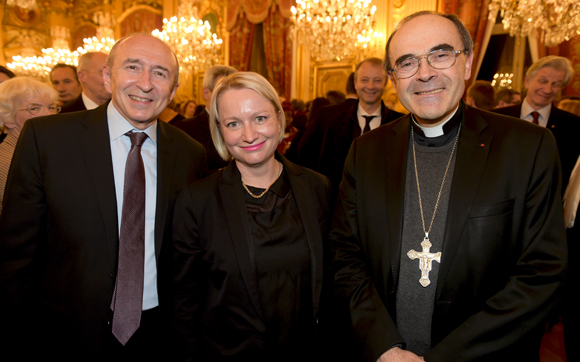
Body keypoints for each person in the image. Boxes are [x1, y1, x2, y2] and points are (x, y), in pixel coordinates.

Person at [329, 11, 566, 361]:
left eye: (441, 55)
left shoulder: (527, 146)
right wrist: (382, 343)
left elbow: (541, 273)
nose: (425, 73)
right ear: (393, 79)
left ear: (467, 64)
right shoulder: (366, 150)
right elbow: (344, 256)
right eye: (407, 62)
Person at [0, 33, 206, 360]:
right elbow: (15, 255)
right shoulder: (48, 140)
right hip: (64, 335)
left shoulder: (191, 154)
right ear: (108, 77)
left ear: (174, 90)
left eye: (160, 73)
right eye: (133, 67)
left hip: (159, 338)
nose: (146, 83)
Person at [173, 71, 331, 361]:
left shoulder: (318, 188)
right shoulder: (197, 201)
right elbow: (184, 302)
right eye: (234, 124)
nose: (249, 135)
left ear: (279, 119)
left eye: (260, 118)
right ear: (220, 131)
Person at [318, 57, 404, 200]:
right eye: (364, 80)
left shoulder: (400, 123)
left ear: (385, 83)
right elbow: (324, 170)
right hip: (341, 206)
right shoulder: (335, 123)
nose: (370, 86)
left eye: (377, 80)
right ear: (355, 83)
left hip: (385, 206)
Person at [492, 55, 580, 187]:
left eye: (556, 84)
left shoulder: (573, 126)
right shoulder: (496, 119)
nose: (548, 90)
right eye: (543, 81)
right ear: (527, 81)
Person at [0, 77, 59, 214]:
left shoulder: (46, 151)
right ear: (7, 117)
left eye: (51, 107)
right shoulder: (5, 161)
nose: (48, 114)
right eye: (34, 108)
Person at [173, 65, 237, 173]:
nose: (230, 97)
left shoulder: (244, 126)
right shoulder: (185, 129)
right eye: (222, 91)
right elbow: (181, 174)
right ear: (206, 93)